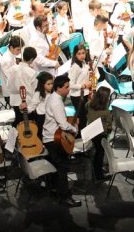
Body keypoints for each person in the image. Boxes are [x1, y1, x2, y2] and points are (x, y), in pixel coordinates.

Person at [42, 74, 81, 207]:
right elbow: (63, 125)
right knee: (62, 167)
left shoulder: (54, 97)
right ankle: (64, 197)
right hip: (53, 139)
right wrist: (75, 130)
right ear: (58, 88)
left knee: (59, 167)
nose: (69, 89)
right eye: (66, 87)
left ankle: (57, 191)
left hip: (51, 136)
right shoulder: (56, 101)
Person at [85, 86, 113, 181]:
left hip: (91, 132)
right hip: (101, 135)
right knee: (99, 154)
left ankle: (96, 172)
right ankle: (98, 175)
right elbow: (109, 128)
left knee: (96, 152)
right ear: (105, 99)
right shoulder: (106, 112)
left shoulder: (89, 104)